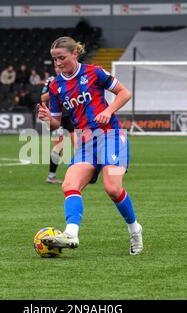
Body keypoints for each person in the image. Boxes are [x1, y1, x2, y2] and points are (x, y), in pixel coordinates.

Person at [37, 36, 143, 255]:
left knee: (113, 188)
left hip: (112, 136)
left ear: (74, 54)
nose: (58, 64)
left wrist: (108, 110)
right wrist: (49, 118)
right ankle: (71, 233)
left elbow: (125, 93)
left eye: (62, 58)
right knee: (69, 184)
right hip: (86, 143)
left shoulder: (94, 72)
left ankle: (134, 229)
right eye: (54, 60)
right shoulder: (56, 85)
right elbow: (57, 122)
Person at [41, 66, 75, 184]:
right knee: (59, 147)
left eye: (60, 66)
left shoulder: (72, 78)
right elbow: (43, 97)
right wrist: (57, 90)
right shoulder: (51, 80)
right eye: (56, 67)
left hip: (71, 116)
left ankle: (78, 174)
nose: (58, 69)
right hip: (56, 117)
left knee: (78, 145)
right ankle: (51, 176)